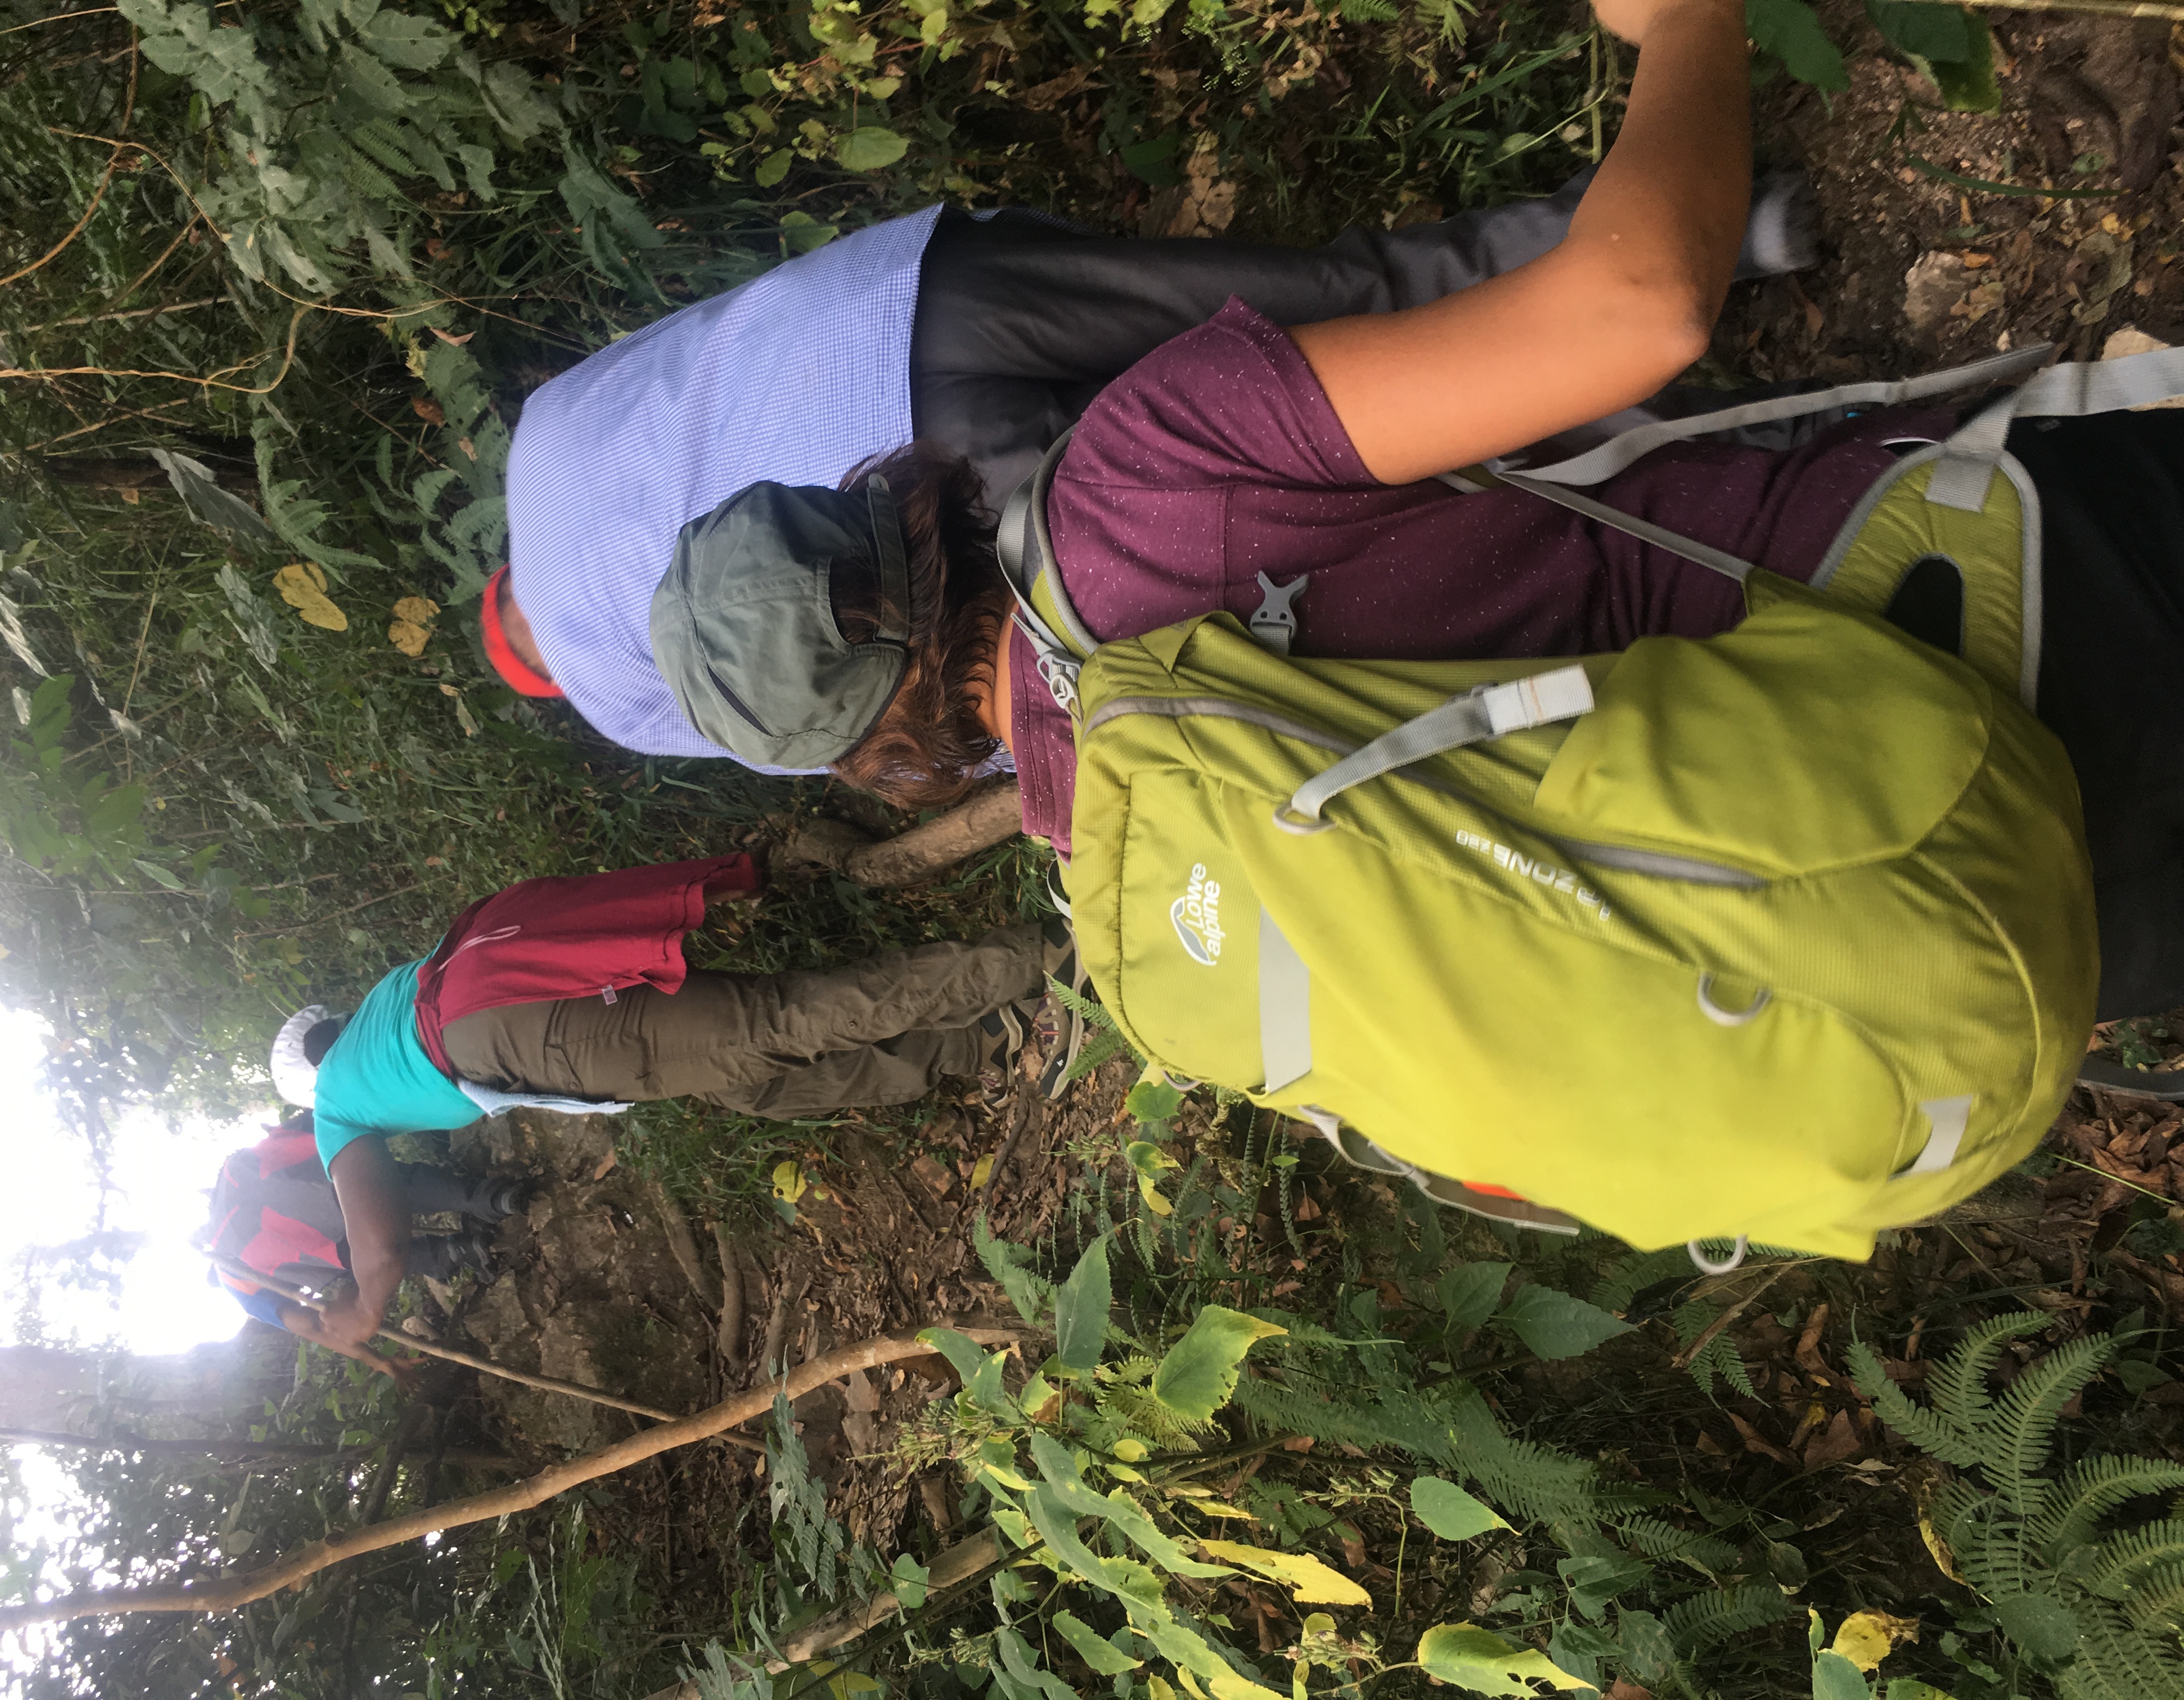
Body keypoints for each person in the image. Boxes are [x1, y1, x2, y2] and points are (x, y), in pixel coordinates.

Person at [636, 0, 2184, 1030]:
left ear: (879, 753)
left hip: (1945, 934)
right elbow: (1636, 310)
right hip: (1994, 613)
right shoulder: (1134, 486)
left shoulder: (1122, 878)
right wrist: (1693, 24)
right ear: (886, 503)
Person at [493, 160, 1823, 760]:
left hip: (943, 519)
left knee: (1357, 492)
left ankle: (1758, 469)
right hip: (902, 301)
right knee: (1337, 309)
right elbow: (700, 335)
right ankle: (1722, 222)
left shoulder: (623, 701)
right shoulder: (543, 429)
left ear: (543, 677)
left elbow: (829, 704)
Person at [270, 855, 1076, 1355]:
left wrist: (357, 1311)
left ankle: (1042, 960)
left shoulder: (338, 1100)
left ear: (307, 1094)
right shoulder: (381, 1009)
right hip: (507, 986)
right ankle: (987, 1036)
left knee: (770, 1024)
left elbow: (378, 1251)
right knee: (751, 1081)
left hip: (508, 1034)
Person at [201, 1111, 520, 1378]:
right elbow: (314, 1120)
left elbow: (307, 1323)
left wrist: (376, 1360)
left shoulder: (233, 1278)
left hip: (327, 1243)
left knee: (365, 1262)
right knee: (393, 1188)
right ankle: (490, 1197)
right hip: (332, 1172)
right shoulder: (232, 1168)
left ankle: (460, 1251)